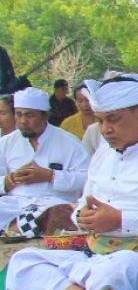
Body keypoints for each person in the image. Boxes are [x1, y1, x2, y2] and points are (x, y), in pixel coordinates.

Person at [5, 76, 138, 290]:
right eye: (101, 120)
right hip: (94, 253)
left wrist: (119, 220)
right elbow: (83, 203)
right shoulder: (102, 154)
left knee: (119, 270)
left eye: (113, 119)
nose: (105, 129)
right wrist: (82, 216)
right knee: (23, 260)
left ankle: (97, 289)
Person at [0, 87, 90, 238]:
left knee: (58, 214)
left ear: (45, 115)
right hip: (15, 203)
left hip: (52, 204)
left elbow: (87, 178)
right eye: (18, 114)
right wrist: (11, 180)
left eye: (29, 115)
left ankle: (15, 230)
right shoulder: (6, 143)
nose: (23, 121)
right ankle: (16, 230)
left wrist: (50, 176)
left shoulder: (69, 142)